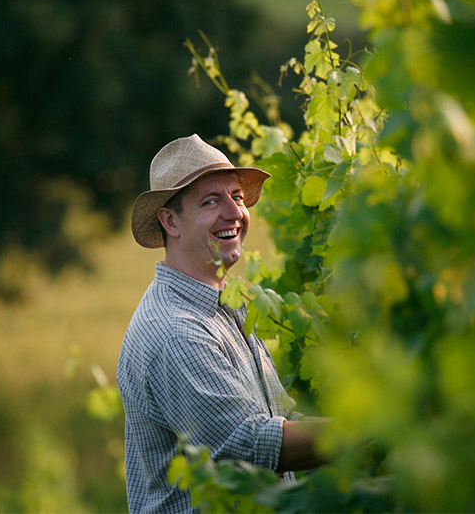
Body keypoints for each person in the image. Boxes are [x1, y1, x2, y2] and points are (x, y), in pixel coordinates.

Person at [117, 134, 326, 513]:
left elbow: (280, 419)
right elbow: (254, 445)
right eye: (211, 201)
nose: (234, 213)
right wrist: (368, 435)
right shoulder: (177, 330)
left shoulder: (225, 306)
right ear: (170, 221)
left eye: (237, 196)